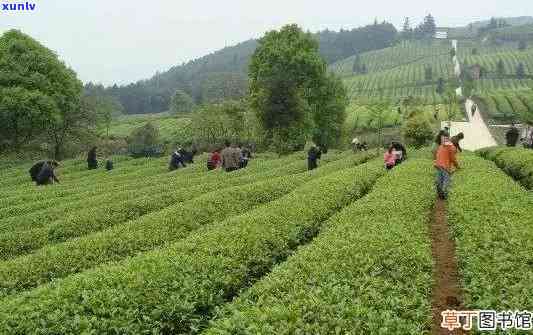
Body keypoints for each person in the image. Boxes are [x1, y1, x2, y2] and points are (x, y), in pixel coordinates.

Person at [434, 134, 460, 200]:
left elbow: (437, 154)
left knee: (439, 179)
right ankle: (444, 194)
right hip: (445, 165)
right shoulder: (452, 147)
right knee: (446, 180)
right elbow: (453, 159)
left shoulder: (441, 145)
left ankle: (439, 193)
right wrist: (457, 166)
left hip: (438, 164)